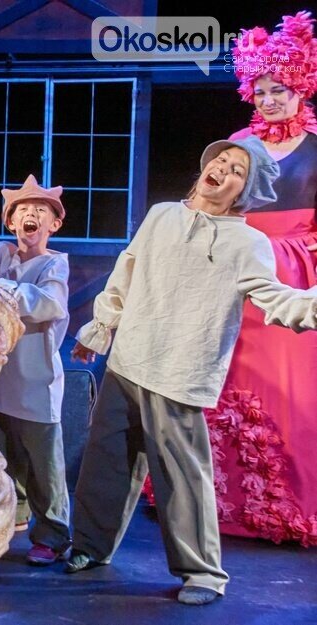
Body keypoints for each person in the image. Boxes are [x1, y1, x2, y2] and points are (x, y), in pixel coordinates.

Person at [67, 136, 317, 606]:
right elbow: (126, 271)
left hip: (180, 373)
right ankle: (90, 547)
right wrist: (99, 329)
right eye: (221, 160)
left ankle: (203, 573)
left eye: (237, 170)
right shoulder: (162, 215)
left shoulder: (248, 242)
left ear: (245, 192)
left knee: (183, 479)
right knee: (107, 463)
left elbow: (276, 299)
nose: (223, 168)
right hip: (128, 361)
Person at [204, 10, 317, 545]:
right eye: (262, 91)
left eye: (280, 90)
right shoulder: (239, 144)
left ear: (301, 89)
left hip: (295, 269)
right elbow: (215, 204)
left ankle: (291, 501)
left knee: (291, 382)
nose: (270, 100)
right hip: (242, 264)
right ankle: (227, 501)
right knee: (234, 373)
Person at [0, 174, 72, 566]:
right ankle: (19, 514)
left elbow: (48, 304)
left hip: (35, 382)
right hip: (1, 379)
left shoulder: (54, 264)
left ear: (53, 224)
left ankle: (54, 535)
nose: (32, 215)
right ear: (11, 222)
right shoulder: (0, 255)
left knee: (45, 464)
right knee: (12, 454)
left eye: (41, 210)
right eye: (23, 209)